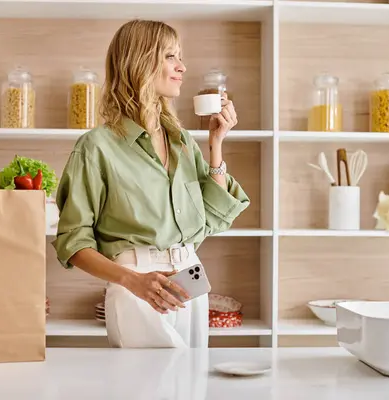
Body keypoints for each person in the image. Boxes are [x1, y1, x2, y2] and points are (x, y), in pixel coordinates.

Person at [53, 19, 250, 348]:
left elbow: (213, 220)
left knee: (190, 386)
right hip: (137, 285)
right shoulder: (97, 146)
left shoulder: (181, 141)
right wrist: (132, 281)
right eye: (171, 56)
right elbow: (73, 242)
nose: (182, 67)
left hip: (191, 276)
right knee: (145, 388)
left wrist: (216, 144)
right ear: (140, 60)